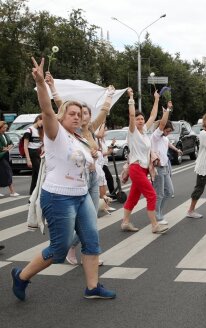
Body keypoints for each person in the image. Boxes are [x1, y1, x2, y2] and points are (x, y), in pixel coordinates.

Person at [10, 57, 116, 301]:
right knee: (59, 249)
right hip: (58, 197)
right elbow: (47, 109)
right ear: (62, 115)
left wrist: (94, 155)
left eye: (80, 114)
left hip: (80, 197)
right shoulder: (55, 133)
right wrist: (41, 84)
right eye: (72, 113)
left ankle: (92, 287)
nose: (77, 117)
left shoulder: (79, 138)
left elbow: (88, 162)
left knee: (91, 240)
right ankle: (22, 276)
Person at [121, 88, 168, 234]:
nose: (140, 120)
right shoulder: (132, 132)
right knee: (152, 195)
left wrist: (156, 99)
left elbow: (153, 115)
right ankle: (155, 225)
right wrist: (131, 98)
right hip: (135, 168)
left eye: (142, 119)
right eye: (138, 119)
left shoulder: (145, 131)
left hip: (143, 169)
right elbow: (131, 114)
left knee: (134, 197)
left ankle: (125, 222)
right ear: (134, 121)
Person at [151, 101, 181, 224]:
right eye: (167, 130)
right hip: (157, 168)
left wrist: (177, 150)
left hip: (165, 167)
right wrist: (168, 110)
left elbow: (168, 144)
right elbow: (162, 124)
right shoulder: (156, 136)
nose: (168, 132)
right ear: (162, 129)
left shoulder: (164, 138)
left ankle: (158, 212)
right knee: (160, 194)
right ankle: (157, 216)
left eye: (169, 131)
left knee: (169, 192)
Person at [23, 114, 44, 195]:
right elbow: (25, 146)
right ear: (38, 119)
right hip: (33, 153)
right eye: (43, 121)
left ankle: (32, 196)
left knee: (35, 176)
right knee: (40, 174)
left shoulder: (41, 130)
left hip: (40, 153)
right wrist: (28, 159)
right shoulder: (29, 130)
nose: (43, 124)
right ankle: (38, 195)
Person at [0, 121, 18, 196]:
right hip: (1, 157)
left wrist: (8, 147)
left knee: (1, 173)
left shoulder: (5, 135)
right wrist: (3, 148)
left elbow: (11, 143)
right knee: (8, 172)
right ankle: (12, 192)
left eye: (6, 128)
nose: (5, 129)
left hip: (5, 156)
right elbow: (2, 148)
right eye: (4, 128)